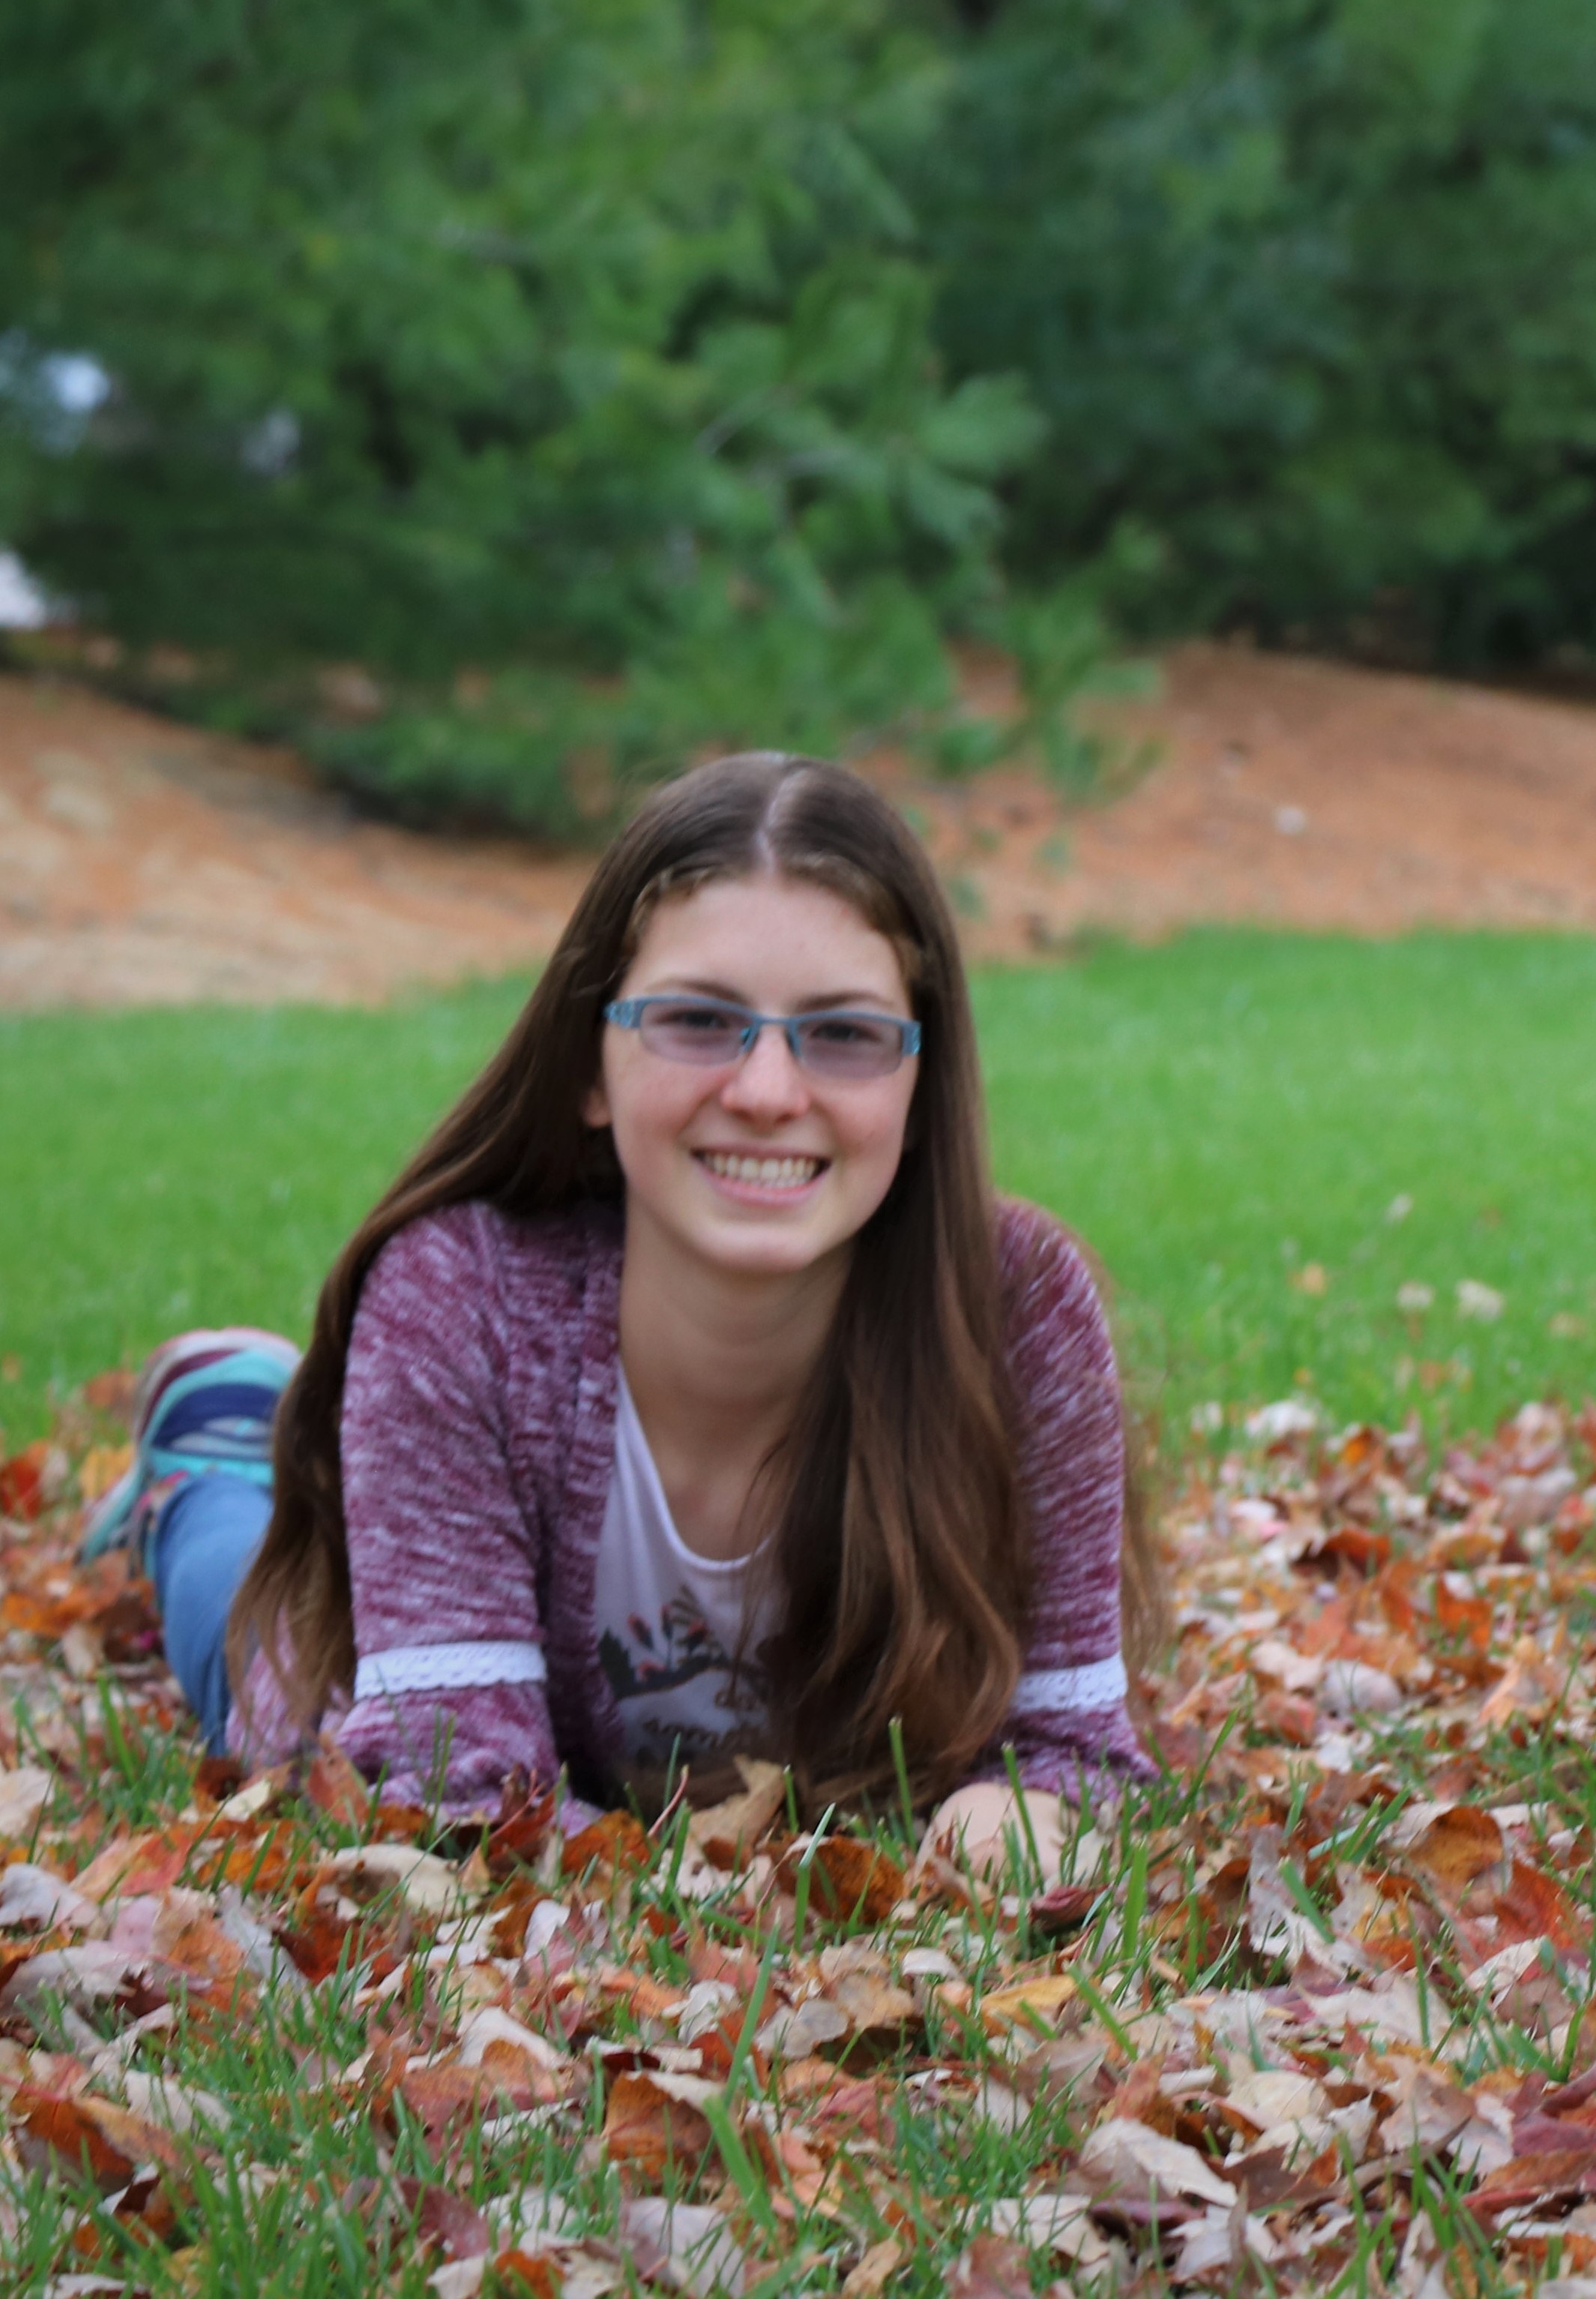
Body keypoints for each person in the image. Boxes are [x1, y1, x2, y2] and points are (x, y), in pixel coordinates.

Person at [81, 752, 1146, 1872]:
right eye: (696, 1020)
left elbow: (1070, 1749)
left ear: (921, 1085)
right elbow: (454, 1786)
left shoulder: (1018, 1307)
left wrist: (1020, 1817)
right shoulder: (462, 1298)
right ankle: (203, 1452)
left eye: (843, 1033)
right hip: (373, 1679)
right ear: (591, 1062)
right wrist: (727, 1893)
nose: (769, 1092)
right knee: (251, 1650)